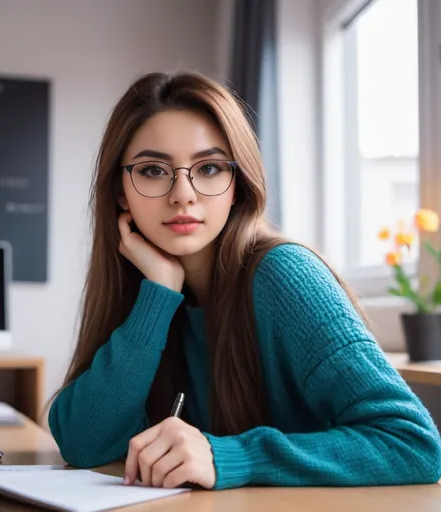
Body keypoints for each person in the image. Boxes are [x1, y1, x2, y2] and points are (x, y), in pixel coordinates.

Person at [48, 71, 441, 490]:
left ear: (236, 185)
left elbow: (415, 443)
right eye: (153, 170)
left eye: (211, 167)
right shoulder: (146, 289)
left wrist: (232, 457)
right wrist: (159, 295)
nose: (183, 193)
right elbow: (83, 443)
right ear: (121, 192)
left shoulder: (285, 276)